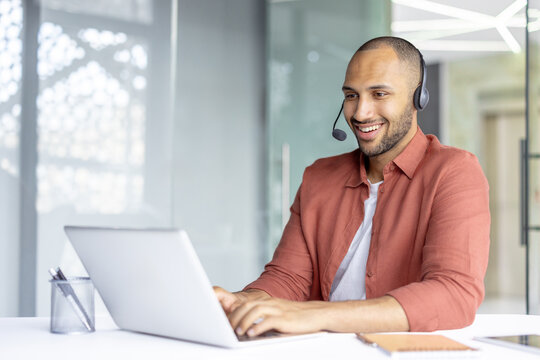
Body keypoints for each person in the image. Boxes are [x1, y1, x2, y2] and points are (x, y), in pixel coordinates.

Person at [214, 36, 490, 337]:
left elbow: (454, 294)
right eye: (351, 96)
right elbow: (288, 279)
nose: (360, 113)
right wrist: (242, 302)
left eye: (379, 94)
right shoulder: (318, 177)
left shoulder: (454, 172)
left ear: (417, 98)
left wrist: (316, 314)